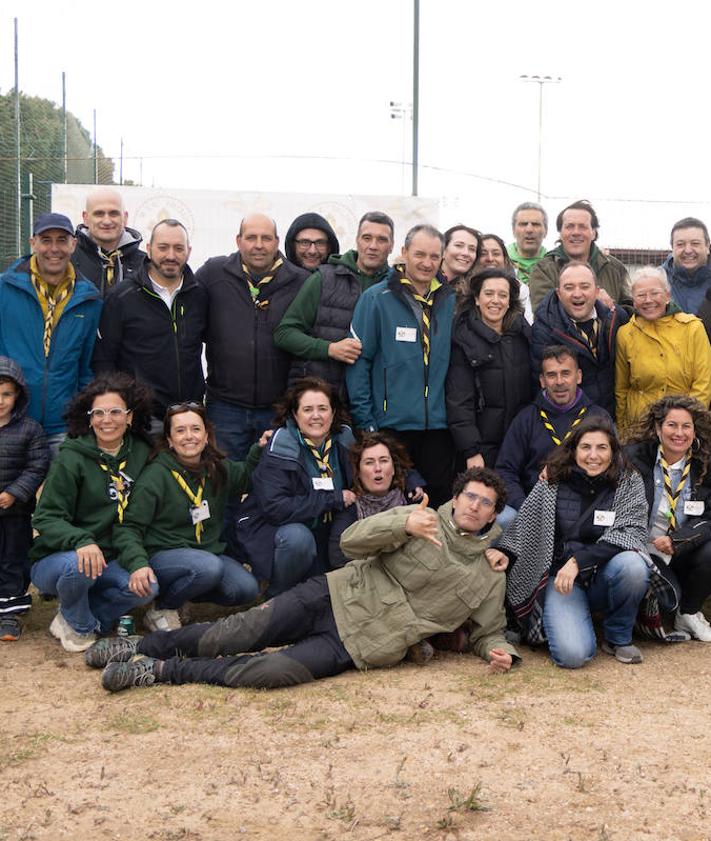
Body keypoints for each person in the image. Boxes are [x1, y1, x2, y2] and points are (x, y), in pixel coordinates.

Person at [86, 467, 520, 692]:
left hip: (361, 644)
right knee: (234, 632)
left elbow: (489, 630)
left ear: (495, 513)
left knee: (270, 672)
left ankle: (159, 671)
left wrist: (498, 650)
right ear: (457, 496)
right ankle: (137, 646)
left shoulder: (489, 571)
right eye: (471, 496)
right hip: (332, 596)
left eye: (487, 503)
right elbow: (351, 542)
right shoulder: (419, 518)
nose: (476, 506)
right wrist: (401, 524)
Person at [499, 418, 651, 667]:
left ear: (613, 451)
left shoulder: (629, 481)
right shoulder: (553, 479)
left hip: (606, 576)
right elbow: (524, 523)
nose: (594, 455)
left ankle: (618, 637)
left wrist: (578, 562)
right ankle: (570, 617)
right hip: (563, 583)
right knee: (573, 655)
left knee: (634, 565)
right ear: (574, 450)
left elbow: (631, 532)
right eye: (586, 447)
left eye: (602, 447)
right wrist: (501, 549)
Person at [29, 374, 156, 652]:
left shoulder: (143, 453)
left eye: (115, 412)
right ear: (89, 419)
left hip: (111, 558)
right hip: (60, 559)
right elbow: (45, 517)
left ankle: (72, 615)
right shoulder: (71, 457)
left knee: (148, 587)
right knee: (80, 565)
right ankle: (82, 626)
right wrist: (81, 540)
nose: (106, 420)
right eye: (98, 413)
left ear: (130, 417)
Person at [111, 402, 262, 632]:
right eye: (180, 431)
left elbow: (245, 478)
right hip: (162, 556)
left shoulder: (215, 467)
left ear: (206, 435)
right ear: (170, 440)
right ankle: (162, 607)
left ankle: (183, 597)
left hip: (205, 555)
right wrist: (138, 564)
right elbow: (128, 527)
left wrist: (259, 449)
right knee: (208, 567)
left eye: (195, 429)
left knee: (245, 589)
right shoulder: (156, 475)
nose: (189, 436)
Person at [347, 224, 455, 508]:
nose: (427, 263)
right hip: (390, 426)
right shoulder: (376, 299)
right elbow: (359, 363)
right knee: (397, 512)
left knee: (437, 507)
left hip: (439, 427)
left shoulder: (451, 300)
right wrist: (367, 422)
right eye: (420, 254)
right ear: (404, 252)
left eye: (434, 256)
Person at [196, 213, 307, 460]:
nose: (259, 245)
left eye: (266, 238)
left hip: (277, 409)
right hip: (225, 407)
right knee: (225, 482)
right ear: (238, 240)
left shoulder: (300, 281)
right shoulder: (213, 273)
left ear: (277, 242)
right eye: (251, 237)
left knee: (274, 484)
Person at [233, 377, 356, 597]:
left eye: (322, 408)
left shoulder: (345, 439)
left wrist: (411, 479)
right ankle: (276, 594)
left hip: (325, 530)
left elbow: (378, 460)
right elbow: (276, 508)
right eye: (307, 409)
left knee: (323, 592)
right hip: (281, 530)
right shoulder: (280, 444)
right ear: (294, 414)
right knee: (297, 540)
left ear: (333, 412)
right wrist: (332, 499)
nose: (316, 416)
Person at [0, 213, 102, 456]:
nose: (54, 249)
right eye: (46, 240)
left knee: (60, 493)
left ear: (74, 244)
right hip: (10, 422)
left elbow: (86, 365)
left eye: (61, 240)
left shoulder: (90, 299)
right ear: (32, 243)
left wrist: (81, 414)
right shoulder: (5, 288)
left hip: (62, 425)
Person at [92, 219, 207, 433]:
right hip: (144, 418)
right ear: (149, 249)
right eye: (163, 247)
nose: (170, 255)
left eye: (178, 248)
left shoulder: (199, 295)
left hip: (190, 416)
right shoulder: (122, 296)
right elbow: (104, 359)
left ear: (188, 251)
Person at [274, 211, 394, 393]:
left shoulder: (397, 288)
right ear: (357, 240)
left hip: (373, 398)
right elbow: (284, 334)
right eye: (367, 238)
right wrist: (329, 349)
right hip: (321, 398)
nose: (373, 246)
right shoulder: (324, 278)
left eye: (382, 240)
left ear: (392, 245)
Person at [624, 396, 711, 641]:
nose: (679, 433)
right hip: (642, 549)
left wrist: (679, 540)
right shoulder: (632, 457)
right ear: (657, 428)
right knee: (666, 602)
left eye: (686, 426)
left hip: (681, 549)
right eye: (672, 425)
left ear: (695, 431)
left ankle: (689, 612)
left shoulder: (704, 464)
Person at [495, 346, 611, 513]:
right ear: (542, 381)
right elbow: (505, 470)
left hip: (586, 510)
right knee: (503, 518)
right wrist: (524, 507)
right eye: (551, 375)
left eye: (565, 373)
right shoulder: (526, 419)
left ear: (578, 376)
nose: (559, 382)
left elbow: (615, 468)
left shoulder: (600, 417)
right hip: (535, 509)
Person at [446, 267, 531, 469]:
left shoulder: (522, 334)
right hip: (481, 450)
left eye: (503, 295)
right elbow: (459, 401)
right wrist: (471, 451)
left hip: (518, 445)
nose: (496, 300)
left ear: (510, 301)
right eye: (489, 293)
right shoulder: (463, 338)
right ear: (477, 298)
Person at [615, 266, 711, 435]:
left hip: (682, 430)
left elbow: (703, 383)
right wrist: (623, 433)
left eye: (654, 293)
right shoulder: (625, 334)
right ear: (634, 301)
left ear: (667, 296)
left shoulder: (693, 328)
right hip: (640, 430)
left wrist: (688, 423)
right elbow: (622, 389)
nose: (648, 300)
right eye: (641, 295)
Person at [531, 261, 628, 416]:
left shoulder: (617, 319)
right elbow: (540, 387)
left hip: (614, 419)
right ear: (558, 293)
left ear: (597, 292)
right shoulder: (544, 330)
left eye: (584, 286)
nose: (577, 293)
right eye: (569, 287)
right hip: (572, 422)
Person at [0, 357, 49, 641]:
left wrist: (13, 493)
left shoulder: (29, 429)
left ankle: (9, 614)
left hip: (15, 513)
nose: (1, 400)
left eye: (6, 394)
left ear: (17, 395)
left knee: (12, 561)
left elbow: (37, 465)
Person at [529, 199, 631, 311]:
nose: (576, 232)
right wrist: (592, 301)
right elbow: (543, 314)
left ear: (593, 233)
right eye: (569, 226)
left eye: (582, 226)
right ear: (560, 232)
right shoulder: (543, 270)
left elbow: (632, 310)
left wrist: (612, 309)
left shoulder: (615, 268)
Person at [72, 188, 145, 295]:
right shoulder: (68, 261)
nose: (107, 221)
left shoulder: (145, 265)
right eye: (99, 214)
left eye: (113, 213)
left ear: (125, 218)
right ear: (86, 218)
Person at [474, 233, 532, 322]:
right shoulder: (462, 288)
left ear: (505, 260)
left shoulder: (520, 290)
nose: (490, 258)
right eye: (483, 254)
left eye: (496, 254)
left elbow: (529, 322)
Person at [662, 217, 711, 316]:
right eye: (680, 244)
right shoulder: (657, 280)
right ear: (672, 248)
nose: (688, 250)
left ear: (707, 246)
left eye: (695, 243)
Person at [507, 202, 548, 285]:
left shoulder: (555, 265)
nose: (529, 230)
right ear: (513, 230)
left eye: (535, 224)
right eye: (523, 224)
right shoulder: (500, 261)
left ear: (546, 231)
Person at [440, 224, 480, 294]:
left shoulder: (474, 292)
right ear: (443, 250)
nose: (466, 253)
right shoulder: (422, 282)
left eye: (472, 249)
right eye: (459, 245)